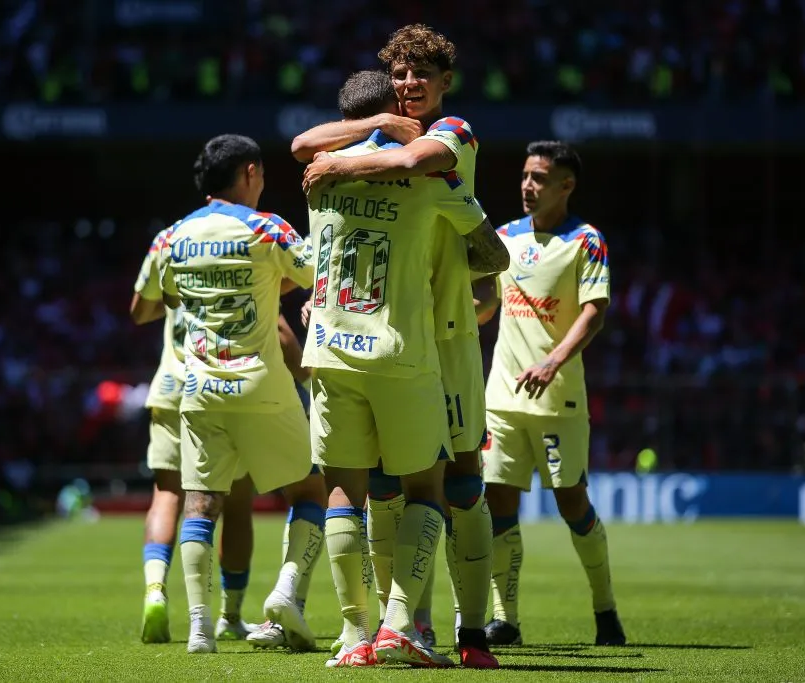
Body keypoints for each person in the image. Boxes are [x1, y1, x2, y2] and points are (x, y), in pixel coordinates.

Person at [297, 25, 508, 668]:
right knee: (389, 484)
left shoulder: (454, 134)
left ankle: (473, 632)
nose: (410, 83)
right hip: (399, 333)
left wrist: (336, 163)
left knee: (462, 478)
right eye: (400, 74)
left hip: (447, 333)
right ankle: (397, 624)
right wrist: (368, 131)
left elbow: (413, 165)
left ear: (446, 83)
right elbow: (305, 142)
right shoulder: (380, 134)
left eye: (423, 74)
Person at [156, 134, 327, 654]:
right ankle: (285, 594)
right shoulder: (265, 227)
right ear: (250, 172)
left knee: (201, 505)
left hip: (200, 388)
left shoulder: (172, 236)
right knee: (310, 492)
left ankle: (201, 630)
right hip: (261, 385)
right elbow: (313, 273)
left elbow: (166, 294)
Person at [131, 231, 311, 644]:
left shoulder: (177, 251)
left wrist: (174, 301)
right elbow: (282, 329)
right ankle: (229, 613)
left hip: (174, 389)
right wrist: (306, 375)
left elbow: (139, 312)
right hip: (225, 386)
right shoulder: (246, 258)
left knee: (169, 496)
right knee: (238, 503)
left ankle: (156, 590)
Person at [481, 141, 626, 647]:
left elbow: (594, 311)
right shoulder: (502, 238)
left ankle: (606, 610)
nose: (527, 185)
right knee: (497, 503)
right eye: (525, 175)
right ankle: (506, 619)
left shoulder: (586, 241)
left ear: (566, 186)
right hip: (500, 397)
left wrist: (552, 360)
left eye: (540, 178)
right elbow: (483, 301)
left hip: (558, 398)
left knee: (572, 504)